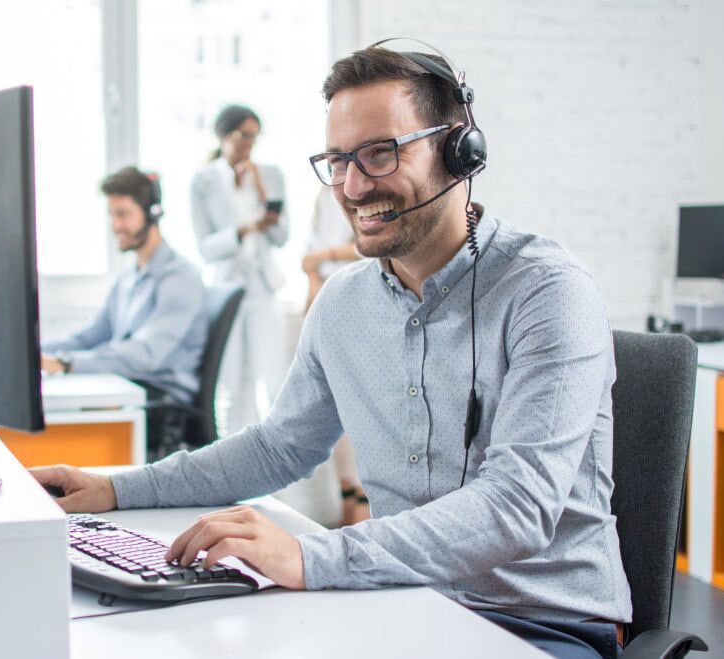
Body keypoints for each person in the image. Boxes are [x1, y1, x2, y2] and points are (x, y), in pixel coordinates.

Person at [32, 42, 631, 659]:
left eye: (379, 153)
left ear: (460, 150)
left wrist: (306, 553)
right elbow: (278, 447)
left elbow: (518, 506)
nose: (351, 185)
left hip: (541, 627)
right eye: (338, 160)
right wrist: (115, 489)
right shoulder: (344, 302)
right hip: (400, 603)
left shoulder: (547, 292)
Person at [41, 166, 209, 456]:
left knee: (58, 424)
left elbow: (145, 356)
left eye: (123, 214)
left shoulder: (179, 278)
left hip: (161, 406)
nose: (115, 225)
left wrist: (66, 363)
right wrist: (35, 353)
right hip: (130, 390)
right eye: (112, 214)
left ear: (152, 213)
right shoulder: (129, 275)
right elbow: (91, 336)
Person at [190, 104, 289, 435]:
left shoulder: (271, 175)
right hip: (228, 290)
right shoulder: (203, 181)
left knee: (274, 379)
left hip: (263, 289)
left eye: (255, 137)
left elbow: (280, 236)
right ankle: (231, 465)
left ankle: (276, 464)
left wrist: (264, 196)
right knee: (232, 384)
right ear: (223, 136)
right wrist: (243, 229)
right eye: (243, 136)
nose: (250, 143)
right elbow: (205, 248)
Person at [302, 186, 367, 526]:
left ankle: (362, 500)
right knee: (336, 411)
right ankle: (348, 498)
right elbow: (309, 254)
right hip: (326, 300)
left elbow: (368, 248)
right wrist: (313, 282)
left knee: (358, 409)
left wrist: (325, 256)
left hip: (356, 299)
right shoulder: (322, 197)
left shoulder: (363, 193)